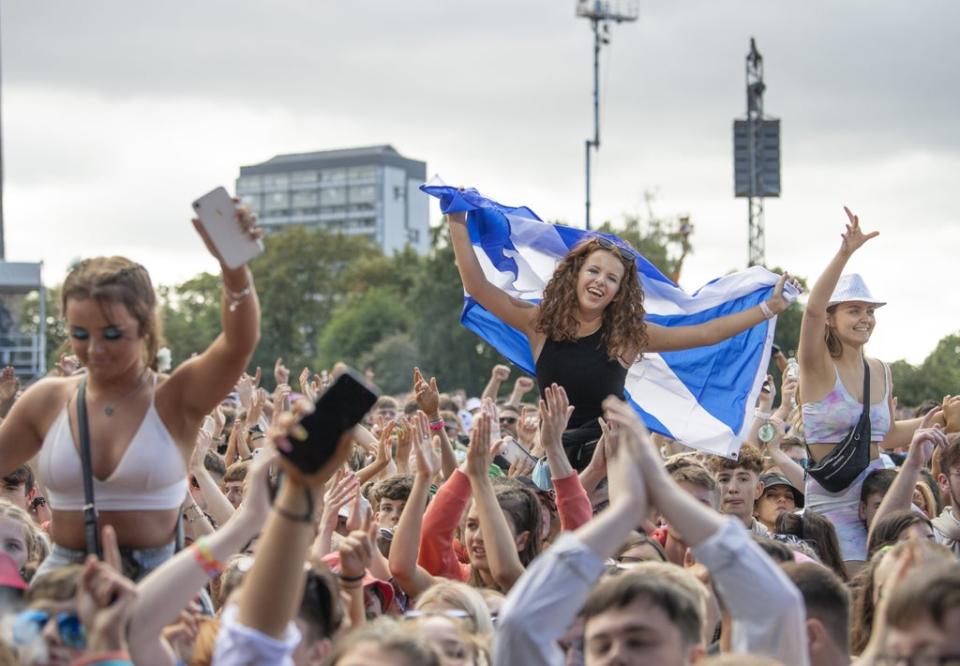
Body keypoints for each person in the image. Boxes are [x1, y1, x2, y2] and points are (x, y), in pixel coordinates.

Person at [0, 203, 262, 580]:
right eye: (78, 334)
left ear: (144, 326)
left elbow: (239, 343)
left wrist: (234, 267)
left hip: (160, 587)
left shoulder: (175, 397)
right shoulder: (47, 399)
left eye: (111, 334)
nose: (94, 349)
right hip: (65, 587)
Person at [446, 208, 796, 468]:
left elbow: (705, 334)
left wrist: (769, 308)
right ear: (575, 275)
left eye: (611, 279)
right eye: (594, 271)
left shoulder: (627, 338)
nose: (600, 281)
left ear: (618, 292)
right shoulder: (540, 324)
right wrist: (457, 223)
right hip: (553, 456)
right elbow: (478, 287)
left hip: (613, 458)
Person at [797, 207, 949, 568]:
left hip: (883, 497)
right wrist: (845, 252)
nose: (865, 318)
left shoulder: (880, 369)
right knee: (859, 587)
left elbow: (889, 434)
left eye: (870, 311)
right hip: (833, 506)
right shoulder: (816, 366)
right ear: (832, 319)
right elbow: (812, 311)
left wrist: (941, 419)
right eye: (854, 310)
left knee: (923, 568)